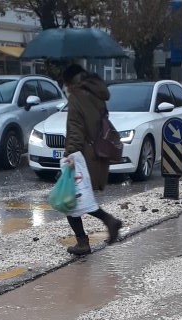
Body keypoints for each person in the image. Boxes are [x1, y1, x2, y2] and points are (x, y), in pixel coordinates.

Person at [62, 63, 123, 256]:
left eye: (65, 83)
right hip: (97, 153)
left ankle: (86, 239)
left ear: (70, 81)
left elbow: (75, 127)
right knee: (79, 197)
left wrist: (70, 154)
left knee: (69, 198)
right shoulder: (96, 93)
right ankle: (108, 222)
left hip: (82, 155)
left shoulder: (76, 97)